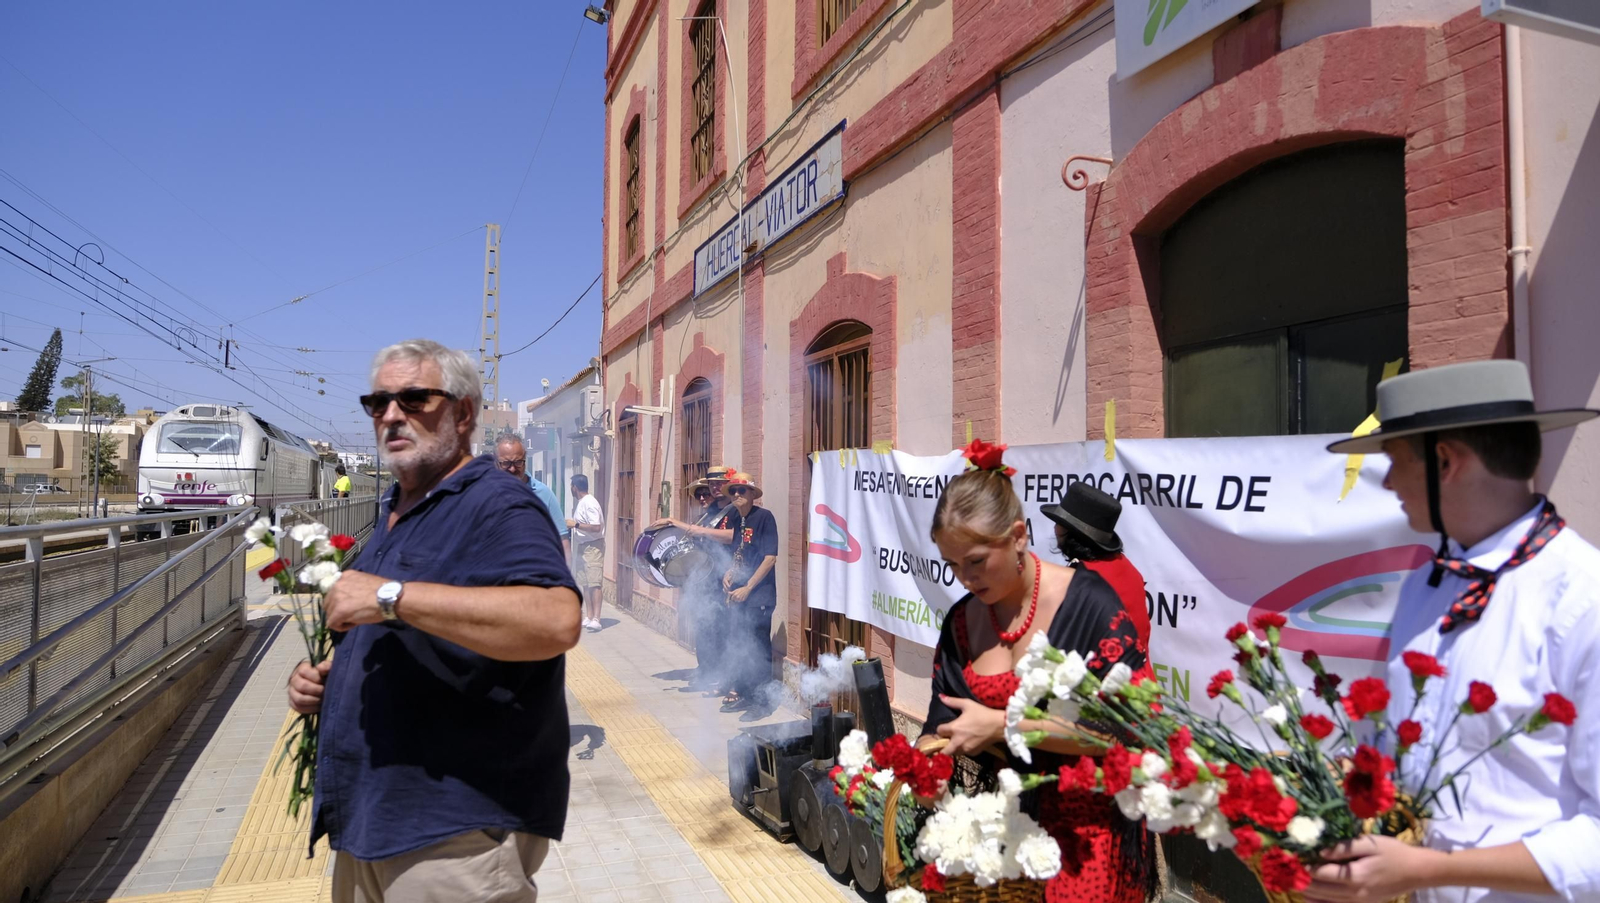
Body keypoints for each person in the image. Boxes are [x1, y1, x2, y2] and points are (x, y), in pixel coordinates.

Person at [285, 338, 581, 903]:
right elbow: (415, 630)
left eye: (415, 399)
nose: (392, 415)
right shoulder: (399, 509)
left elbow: (556, 619)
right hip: (372, 826)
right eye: (378, 403)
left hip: (454, 838)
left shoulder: (497, 504)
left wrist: (391, 596)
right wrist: (331, 674)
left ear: (463, 413)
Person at [1311, 359, 1600, 903]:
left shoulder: (1584, 602)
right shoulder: (1425, 584)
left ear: (1445, 462)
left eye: (1393, 460)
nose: (1388, 481)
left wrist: (1424, 868)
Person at [920, 441, 1154, 903]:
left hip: (1088, 839)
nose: (965, 580)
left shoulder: (1090, 605)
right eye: (952, 566)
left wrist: (1004, 726)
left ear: (1019, 536)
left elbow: (1128, 732)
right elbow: (940, 721)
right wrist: (928, 770)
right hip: (998, 841)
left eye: (976, 562)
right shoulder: (962, 622)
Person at [655, 464, 738, 692]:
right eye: (711, 484)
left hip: (724, 579)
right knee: (703, 627)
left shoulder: (735, 510)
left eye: (719, 483)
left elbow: (731, 537)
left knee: (721, 629)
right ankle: (706, 670)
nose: (713, 489)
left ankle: (722, 676)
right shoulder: (708, 515)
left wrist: (681, 524)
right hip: (704, 579)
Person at [1041, 481, 1151, 645]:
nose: (1055, 528)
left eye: (1058, 523)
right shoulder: (1128, 568)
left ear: (1070, 533)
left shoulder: (1078, 579)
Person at [717, 472, 778, 713]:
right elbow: (738, 552)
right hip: (738, 594)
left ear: (752, 494)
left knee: (759, 646)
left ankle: (762, 701)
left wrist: (748, 588)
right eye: (733, 491)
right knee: (740, 642)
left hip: (758, 596)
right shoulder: (735, 517)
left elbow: (770, 558)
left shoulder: (764, 518)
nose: (737, 495)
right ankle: (743, 691)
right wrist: (729, 572)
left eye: (742, 491)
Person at [494, 434, 570, 559]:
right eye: (506, 463)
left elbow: (563, 542)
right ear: (496, 462)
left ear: (524, 458)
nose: (512, 469)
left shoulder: (543, 494)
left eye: (518, 462)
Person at [567, 473, 605, 632]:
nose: (571, 489)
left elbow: (596, 527)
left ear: (574, 487)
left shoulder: (590, 503)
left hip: (593, 547)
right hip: (582, 546)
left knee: (594, 582)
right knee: (585, 582)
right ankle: (589, 616)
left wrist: (576, 525)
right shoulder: (582, 502)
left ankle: (597, 618)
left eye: (571, 487)